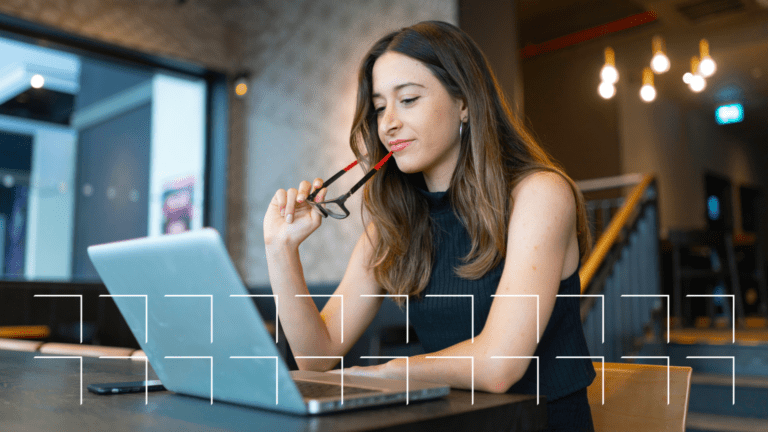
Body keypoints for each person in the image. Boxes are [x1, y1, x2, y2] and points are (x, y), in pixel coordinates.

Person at [264, 20, 596, 431]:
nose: (388, 124)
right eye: (381, 107)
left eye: (408, 99)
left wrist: (382, 375)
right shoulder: (393, 224)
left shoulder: (540, 195)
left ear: (465, 103)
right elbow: (317, 355)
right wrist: (281, 250)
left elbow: (498, 366)